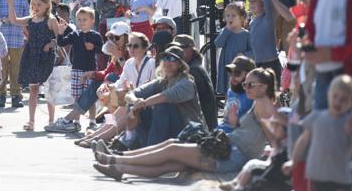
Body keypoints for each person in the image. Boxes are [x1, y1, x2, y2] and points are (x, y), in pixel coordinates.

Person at [92, 67, 278, 181]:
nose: (245, 88)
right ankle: (119, 167)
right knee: (170, 163)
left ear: (264, 87)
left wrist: (269, 159)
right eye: (245, 84)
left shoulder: (263, 104)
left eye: (250, 85)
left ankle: (114, 159)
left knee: (172, 149)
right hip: (229, 150)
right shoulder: (261, 103)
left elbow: (274, 140)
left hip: (230, 155)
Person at [45, 21, 131, 136]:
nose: (113, 41)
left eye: (116, 37)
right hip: (116, 90)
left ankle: (71, 120)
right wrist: (92, 74)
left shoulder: (130, 51)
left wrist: (118, 56)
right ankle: (75, 121)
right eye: (111, 37)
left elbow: (129, 73)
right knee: (99, 81)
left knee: (109, 82)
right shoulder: (117, 53)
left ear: (126, 38)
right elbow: (107, 72)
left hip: (128, 90)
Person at [123, 45, 207, 148]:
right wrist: (135, 102)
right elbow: (130, 94)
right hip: (169, 129)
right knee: (134, 107)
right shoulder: (162, 81)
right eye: (165, 58)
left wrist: (140, 104)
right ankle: (142, 147)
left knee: (162, 107)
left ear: (181, 64)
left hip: (189, 130)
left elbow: (164, 97)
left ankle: (150, 151)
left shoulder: (186, 83)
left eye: (172, 59)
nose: (167, 62)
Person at [294, 75, 352, 191]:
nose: (338, 102)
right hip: (318, 174)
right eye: (335, 97)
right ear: (328, 95)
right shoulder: (316, 116)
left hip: (341, 177)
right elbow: (303, 140)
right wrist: (294, 161)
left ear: (351, 102)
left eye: (344, 99)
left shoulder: (350, 123)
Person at [8, 0, 60, 131]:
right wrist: (11, 4)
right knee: (33, 90)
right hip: (31, 56)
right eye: (34, 4)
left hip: (46, 58)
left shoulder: (51, 19)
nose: (36, 7)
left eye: (39, 4)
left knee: (49, 90)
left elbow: (58, 39)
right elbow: (14, 20)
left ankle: (51, 120)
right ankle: (31, 121)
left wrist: (50, 45)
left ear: (47, 5)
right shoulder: (31, 19)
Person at [47, 7, 104, 132]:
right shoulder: (75, 34)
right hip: (76, 70)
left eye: (85, 19)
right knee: (77, 97)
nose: (81, 22)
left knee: (90, 97)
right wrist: (60, 32)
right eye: (79, 19)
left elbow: (102, 50)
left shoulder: (96, 36)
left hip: (90, 71)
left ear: (92, 21)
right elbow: (62, 43)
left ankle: (92, 121)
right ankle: (76, 122)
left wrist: (93, 47)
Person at [219, 107, 290, 191]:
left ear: (286, 130)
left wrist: (273, 152)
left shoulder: (286, 143)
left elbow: (280, 157)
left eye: (277, 127)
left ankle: (239, 188)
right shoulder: (282, 141)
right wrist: (270, 151)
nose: (274, 130)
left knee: (252, 165)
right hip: (273, 168)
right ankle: (236, 182)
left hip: (277, 173)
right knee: (253, 163)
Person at [242, 0, 295, 79]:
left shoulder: (268, 19)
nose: (251, 4)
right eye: (250, 1)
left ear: (262, 4)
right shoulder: (252, 22)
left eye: (254, 1)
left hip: (271, 63)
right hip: (258, 63)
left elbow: (268, 4)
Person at [0, 0, 28, 108]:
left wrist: (16, 20)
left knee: (16, 68)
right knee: (1, 68)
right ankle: (0, 94)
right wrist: (3, 19)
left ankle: (16, 95)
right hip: (1, 40)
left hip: (17, 39)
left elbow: (27, 18)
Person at [172, 34, 218, 132]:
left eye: (181, 48)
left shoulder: (193, 71)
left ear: (191, 49)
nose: (177, 52)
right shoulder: (194, 66)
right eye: (174, 48)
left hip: (201, 129)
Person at [214, 1, 253, 94]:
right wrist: (226, 30)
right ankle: (228, 106)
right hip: (227, 66)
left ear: (242, 17)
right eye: (227, 15)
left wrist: (244, 54)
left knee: (240, 89)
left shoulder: (246, 35)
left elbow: (253, 52)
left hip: (240, 68)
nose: (229, 18)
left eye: (233, 15)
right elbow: (218, 43)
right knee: (228, 89)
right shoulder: (225, 31)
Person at [217, 56, 255, 133]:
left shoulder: (253, 96)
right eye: (231, 73)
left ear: (248, 75)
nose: (232, 77)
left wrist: (236, 122)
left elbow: (255, 128)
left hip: (236, 138)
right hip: (220, 132)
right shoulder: (231, 91)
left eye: (237, 73)